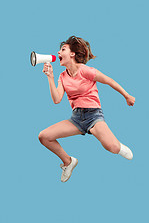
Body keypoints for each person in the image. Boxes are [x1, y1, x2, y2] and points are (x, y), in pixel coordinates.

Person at [38, 36, 135, 183]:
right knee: (44, 136)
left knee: (112, 147)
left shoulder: (85, 71)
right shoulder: (62, 76)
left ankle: (119, 145)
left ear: (72, 54)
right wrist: (50, 77)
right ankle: (68, 162)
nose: (58, 52)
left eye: (63, 49)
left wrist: (127, 96)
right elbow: (57, 99)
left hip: (93, 115)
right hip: (76, 118)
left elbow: (109, 81)